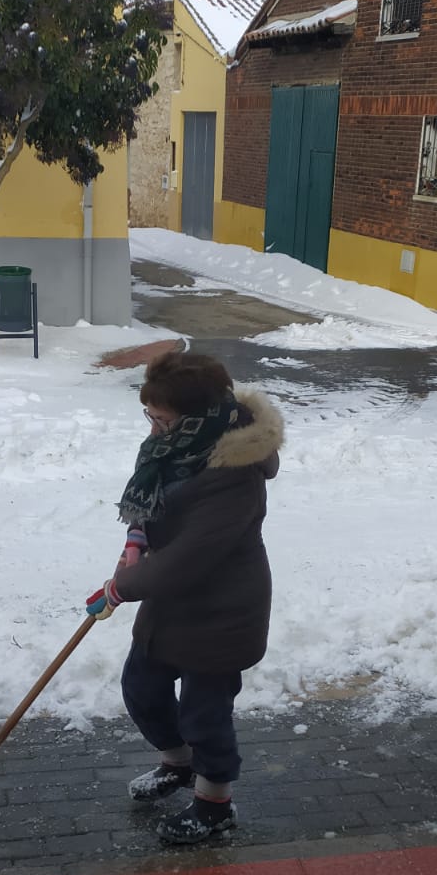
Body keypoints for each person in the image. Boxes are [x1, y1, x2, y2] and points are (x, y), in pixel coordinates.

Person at [86, 351, 283, 844]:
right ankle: (179, 764)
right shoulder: (174, 447)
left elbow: (189, 557)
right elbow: (150, 507)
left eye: (163, 418)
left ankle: (215, 804)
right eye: (149, 415)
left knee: (204, 713)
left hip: (222, 611)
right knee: (142, 689)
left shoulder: (234, 475)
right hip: (171, 601)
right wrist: (135, 540)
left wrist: (121, 587)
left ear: (195, 418)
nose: (153, 428)